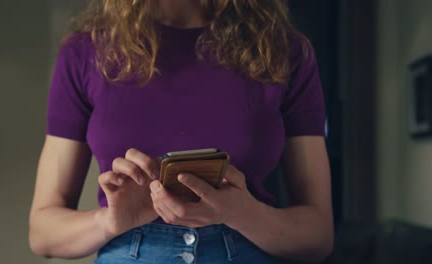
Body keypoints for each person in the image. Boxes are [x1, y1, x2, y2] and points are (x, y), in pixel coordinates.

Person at [29, 0, 333, 263]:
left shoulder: (286, 52)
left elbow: (318, 235)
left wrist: (243, 213)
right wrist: (109, 222)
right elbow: (43, 233)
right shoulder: (84, 53)